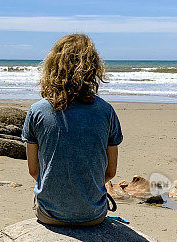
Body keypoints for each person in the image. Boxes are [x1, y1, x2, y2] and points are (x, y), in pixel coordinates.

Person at [21, 33, 122, 227]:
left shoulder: (37, 111)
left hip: (49, 214)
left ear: (52, 67)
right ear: (93, 69)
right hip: (93, 216)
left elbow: (34, 171)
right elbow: (110, 172)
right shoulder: (106, 111)